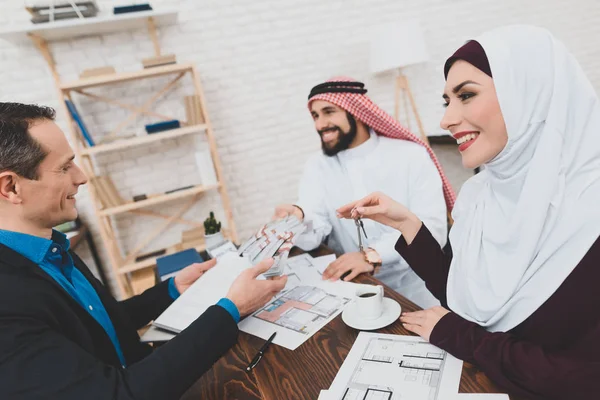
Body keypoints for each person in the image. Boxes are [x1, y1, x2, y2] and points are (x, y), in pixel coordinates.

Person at [338, 25, 600, 400]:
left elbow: (582, 381)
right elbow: (465, 296)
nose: (446, 119)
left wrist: (460, 337)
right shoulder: (482, 195)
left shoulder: (591, 209)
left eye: (466, 95)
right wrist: (407, 223)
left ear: (529, 95)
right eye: (447, 101)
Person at [0, 102, 287, 400]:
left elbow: (98, 323)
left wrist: (172, 290)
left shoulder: (51, 246)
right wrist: (232, 310)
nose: (81, 176)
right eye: (64, 167)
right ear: (11, 187)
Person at [273, 78, 455, 308]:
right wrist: (297, 216)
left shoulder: (410, 156)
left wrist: (371, 255)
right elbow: (314, 230)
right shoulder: (317, 166)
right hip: (354, 289)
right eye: (315, 116)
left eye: (328, 112)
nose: (320, 124)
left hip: (417, 287)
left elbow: (433, 229)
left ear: (356, 111)